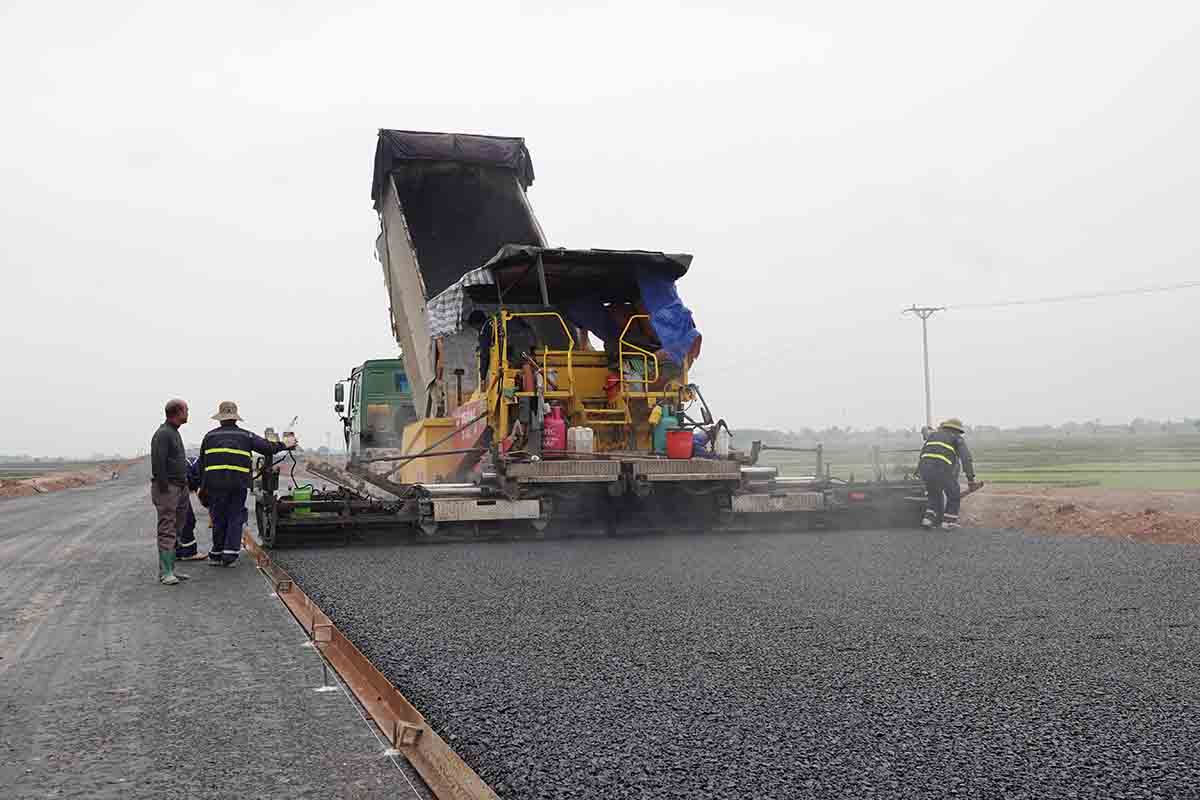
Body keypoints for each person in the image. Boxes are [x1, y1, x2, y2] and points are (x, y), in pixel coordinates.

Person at [198, 401, 293, 566]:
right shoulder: (245, 436)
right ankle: (229, 555)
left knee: (218, 517)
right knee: (235, 516)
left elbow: (202, 464)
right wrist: (286, 444)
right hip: (237, 484)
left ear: (220, 419)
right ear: (235, 419)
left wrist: (202, 487)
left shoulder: (209, 437)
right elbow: (267, 448)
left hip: (215, 485)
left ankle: (216, 554)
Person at [150, 398, 192, 586]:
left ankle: (170, 569)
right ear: (178, 411)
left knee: (177, 528)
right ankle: (165, 572)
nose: (188, 413)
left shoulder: (173, 432)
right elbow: (158, 463)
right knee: (167, 528)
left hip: (179, 487)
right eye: (186, 410)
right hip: (168, 488)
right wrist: (165, 488)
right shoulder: (164, 434)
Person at [919, 418, 978, 530]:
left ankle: (928, 520)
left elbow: (923, 453)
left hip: (925, 469)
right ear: (956, 430)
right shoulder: (956, 438)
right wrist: (970, 479)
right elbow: (966, 458)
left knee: (934, 495)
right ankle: (948, 522)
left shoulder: (933, 436)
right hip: (941, 469)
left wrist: (920, 472)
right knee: (954, 493)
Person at [173, 457, 208, 561]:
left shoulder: (190, 463)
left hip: (171, 489)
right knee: (188, 520)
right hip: (176, 489)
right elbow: (194, 483)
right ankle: (188, 552)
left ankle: (178, 551)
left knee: (176, 521)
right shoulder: (195, 467)